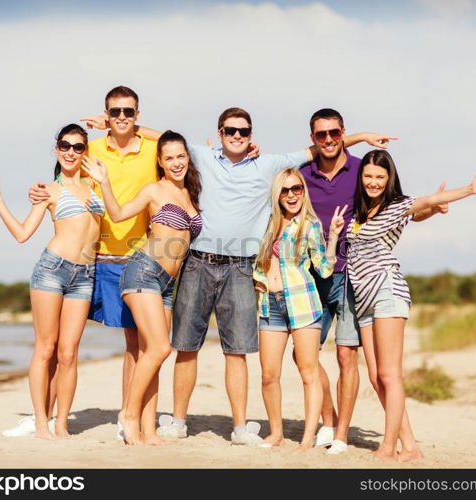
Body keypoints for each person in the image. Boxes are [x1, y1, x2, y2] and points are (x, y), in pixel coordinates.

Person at [155, 107, 396, 444]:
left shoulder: (269, 164)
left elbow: (319, 147)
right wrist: (117, 126)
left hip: (241, 267)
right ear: (220, 132)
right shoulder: (201, 155)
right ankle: (178, 420)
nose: (237, 136)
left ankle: (240, 427)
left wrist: (363, 137)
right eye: (230, 131)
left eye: (243, 131)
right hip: (198, 262)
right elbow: (161, 139)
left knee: (237, 350)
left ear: (251, 134)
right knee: (186, 346)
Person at [300, 108, 445, 454]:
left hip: (357, 281)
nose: (329, 140)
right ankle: (333, 420)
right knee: (307, 356)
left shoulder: (362, 168)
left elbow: (406, 208)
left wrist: (433, 207)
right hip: (315, 275)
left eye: (335, 133)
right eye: (321, 135)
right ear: (312, 139)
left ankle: (343, 437)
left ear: (342, 132)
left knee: (358, 362)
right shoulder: (304, 173)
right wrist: (363, 134)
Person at [346, 149, 476, 461]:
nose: (373, 182)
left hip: (386, 292)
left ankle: (389, 447)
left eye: (380, 176)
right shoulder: (357, 214)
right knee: (376, 377)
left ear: (389, 178)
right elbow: (424, 213)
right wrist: (431, 211)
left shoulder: (397, 205)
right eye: (368, 176)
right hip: (361, 300)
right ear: (361, 177)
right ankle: (411, 447)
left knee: (390, 375)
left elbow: (424, 204)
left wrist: (470, 190)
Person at [29, 86, 159, 442]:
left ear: (137, 114)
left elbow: (174, 141)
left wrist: (131, 128)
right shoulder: (92, 147)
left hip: (134, 258)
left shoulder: (150, 148)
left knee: (135, 343)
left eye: (127, 112)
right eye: (114, 112)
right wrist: (39, 195)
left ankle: (127, 418)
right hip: (91, 260)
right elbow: (63, 180)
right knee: (54, 347)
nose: (120, 118)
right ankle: (44, 417)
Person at [0, 124, 103, 439]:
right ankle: (42, 423)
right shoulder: (48, 190)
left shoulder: (96, 187)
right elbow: (21, 234)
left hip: (85, 274)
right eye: (65, 145)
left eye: (78, 146)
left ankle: (61, 425)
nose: (71, 151)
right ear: (57, 149)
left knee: (69, 353)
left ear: (86, 152)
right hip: (53, 269)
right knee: (45, 348)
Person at [81, 130, 202, 445]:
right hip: (143, 273)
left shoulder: (190, 194)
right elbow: (119, 214)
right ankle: (129, 415)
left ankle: (148, 429)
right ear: (160, 162)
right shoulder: (154, 190)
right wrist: (104, 181)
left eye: (181, 156)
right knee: (160, 348)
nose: (176, 162)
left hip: (167, 284)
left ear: (188, 159)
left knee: (155, 354)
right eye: (169, 157)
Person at [253, 168, 345, 450]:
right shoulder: (267, 224)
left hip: (303, 303)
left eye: (297, 189)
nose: (291, 195)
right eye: (285, 190)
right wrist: (259, 280)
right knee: (269, 375)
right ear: (277, 194)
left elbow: (325, 269)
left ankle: (307, 437)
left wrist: (332, 237)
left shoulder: (310, 225)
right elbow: (258, 264)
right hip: (271, 305)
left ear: (303, 192)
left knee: (308, 372)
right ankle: (276, 433)